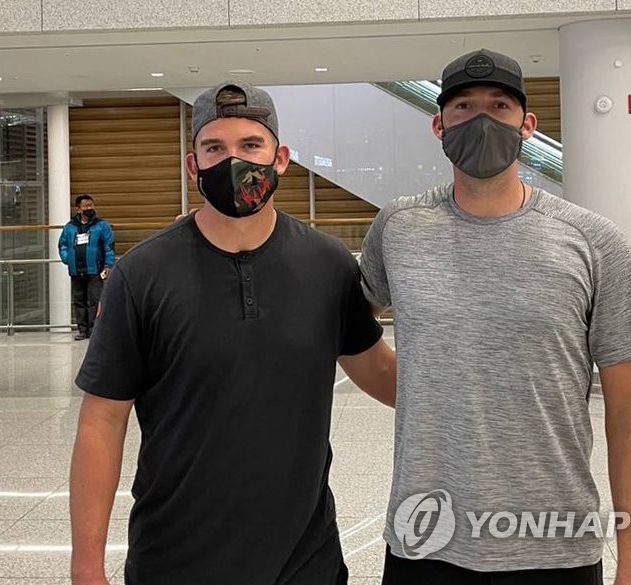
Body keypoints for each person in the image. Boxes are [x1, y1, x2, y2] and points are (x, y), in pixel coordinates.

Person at [69, 81, 396, 585]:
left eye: (250, 145)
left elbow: (379, 371)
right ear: (192, 165)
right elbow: (102, 421)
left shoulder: (327, 264)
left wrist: (488, 388)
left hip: (305, 561)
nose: (233, 161)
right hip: (175, 559)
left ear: (280, 159)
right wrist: (86, 567)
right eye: (214, 148)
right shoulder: (142, 274)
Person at [359, 49, 631, 585]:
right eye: (463, 107)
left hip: (554, 548)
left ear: (527, 126)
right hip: (423, 539)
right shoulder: (399, 227)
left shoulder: (592, 240)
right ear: (438, 126)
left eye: (499, 106)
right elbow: (347, 325)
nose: (481, 120)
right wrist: (428, 392)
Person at [58, 194, 115, 340]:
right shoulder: (69, 227)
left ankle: (95, 330)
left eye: (91, 205)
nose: (89, 208)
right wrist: (67, 259)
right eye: (86, 206)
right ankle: (82, 330)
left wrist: (108, 265)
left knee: (95, 300)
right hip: (76, 270)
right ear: (79, 209)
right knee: (79, 301)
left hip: (95, 270)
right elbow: (62, 245)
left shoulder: (102, 226)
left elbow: (109, 247)